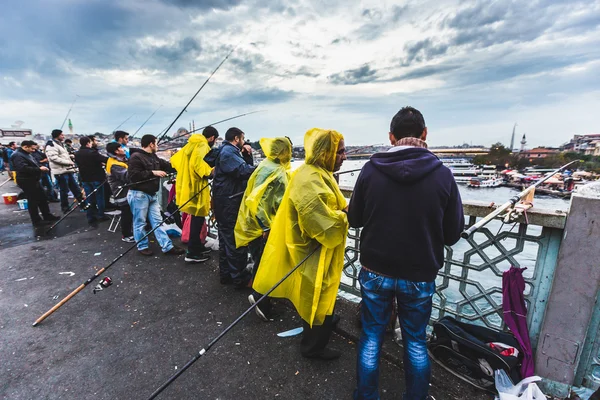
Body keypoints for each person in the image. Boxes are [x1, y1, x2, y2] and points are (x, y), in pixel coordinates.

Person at [348, 107, 464, 400]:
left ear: (391, 136)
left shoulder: (370, 170)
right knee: (414, 341)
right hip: (419, 272)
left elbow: (355, 218)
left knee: (372, 335)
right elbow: (452, 234)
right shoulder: (443, 175)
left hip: (375, 268)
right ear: (425, 134)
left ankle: (366, 396)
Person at [253, 128, 348, 360]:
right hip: (312, 250)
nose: (344, 157)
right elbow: (321, 223)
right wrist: (347, 214)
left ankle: (323, 323)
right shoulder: (311, 178)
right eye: (341, 152)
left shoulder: (314, 172)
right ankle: (313, 347)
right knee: (316, 292)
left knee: (320, 294)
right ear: (327, 152)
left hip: (314, 249)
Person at [235, 137, 293, 321]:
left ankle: (262, 296)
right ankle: (261, 299)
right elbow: (258, 201)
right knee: (263, 262)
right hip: (262, 227)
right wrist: (265, 226)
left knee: (262, 260)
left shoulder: (269, 165)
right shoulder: (272, 170)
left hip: (259, 224)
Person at [205, 127, 256, 287]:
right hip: (229, 202)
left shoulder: (228, 151)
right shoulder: (228, 152)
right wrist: (262, 169)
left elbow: (240, 171)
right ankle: (240, 278)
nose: (244, 141)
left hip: (224, 200)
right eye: (242, 138)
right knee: (234, 240)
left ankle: (226, 275)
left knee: (226, 239)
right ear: (236, 139)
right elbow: (243, 172)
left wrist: (247, 155)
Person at [127, 134, 184, 256]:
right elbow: (133, 176)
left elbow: (168, 166)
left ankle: (167, 246)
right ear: (151, 144)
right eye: (156, 143)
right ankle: (142, 246)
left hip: (152, 194)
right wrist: (153, 172)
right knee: (140, 222)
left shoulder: (153, 157)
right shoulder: (135, 157)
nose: (157, 146)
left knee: (158, 222)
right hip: (139, 194)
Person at [170, 126, 219, 263]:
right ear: (212, 138)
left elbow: (176, 160)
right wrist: (210, 172)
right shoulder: (202, 144)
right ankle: (192, 253)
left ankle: (197, 246)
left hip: (188, 186)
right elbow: (198, 164)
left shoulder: (191, 143)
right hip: (197, 187)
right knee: (197, 220)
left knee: (196, 219)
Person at [10, 141, 60, 226]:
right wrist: (39, 169)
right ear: (25, 146)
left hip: (33, 179)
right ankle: (36, 221)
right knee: (33, 200)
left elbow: (33, 163)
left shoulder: (26, 153)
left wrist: (40, 166)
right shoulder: (17, 155)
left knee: (42, 197)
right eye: (32, 148)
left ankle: (47, 215)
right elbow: (23, 168)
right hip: (26, 180)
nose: (33, 150)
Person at [46, 129, 85, 212]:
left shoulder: (60, 144)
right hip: (61, 171)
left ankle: (83, 204)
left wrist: (70, 156)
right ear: (57, 135)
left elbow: (61, 155)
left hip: (67, 170)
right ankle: (65, 207)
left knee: (76, 188)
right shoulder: (51, 145)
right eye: (62, 135)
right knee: (64, 190)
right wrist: (68, 162)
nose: (63, 136)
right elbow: (53, 158)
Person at [75, 136, 109, 227]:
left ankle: (90, 216)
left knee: (89, 198)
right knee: (99, 197)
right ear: (88, 143)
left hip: (85, 179)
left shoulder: (77, 153)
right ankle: (101, 215)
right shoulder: (93, 153)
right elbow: (105, 159)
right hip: (96, 178)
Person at [105, 142, 134, 242]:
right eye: (121, 148)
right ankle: (126, 235)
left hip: (125, 191)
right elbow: (127, 177)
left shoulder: (117, 160)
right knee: (127, 214)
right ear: (116, 151)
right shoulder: (115, 165)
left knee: (129, 213)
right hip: (122, 192)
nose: (124, 149)